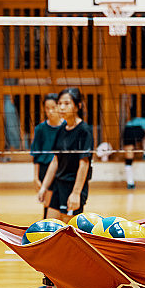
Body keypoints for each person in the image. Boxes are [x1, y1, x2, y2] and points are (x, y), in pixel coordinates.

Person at [37, 87, 93, 222]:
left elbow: (84, 164)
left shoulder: (84, 131)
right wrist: (44, 187)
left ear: (78, 106)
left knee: (68, 234)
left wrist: (76, 193)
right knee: (49, 229)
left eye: (67, 104)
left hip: (73, 186)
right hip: (58, 185)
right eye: (60, 103)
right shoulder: (62, 128)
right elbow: (55, 160)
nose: (62, 107)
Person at [30, 93, 63, 218]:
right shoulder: (40, 129)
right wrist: (35, 177)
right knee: (47, 203)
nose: (50, 111)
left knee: (62, 203)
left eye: (53, 107)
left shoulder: (66, 127)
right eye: (47, 108)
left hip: (61, 169)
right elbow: (35, 154)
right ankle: (46, 229)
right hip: (45, 168)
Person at [122, 116, 145, 190]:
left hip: (127, 130)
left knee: (128, 160)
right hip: (136, 130)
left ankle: (130, 183)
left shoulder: (134, 120)